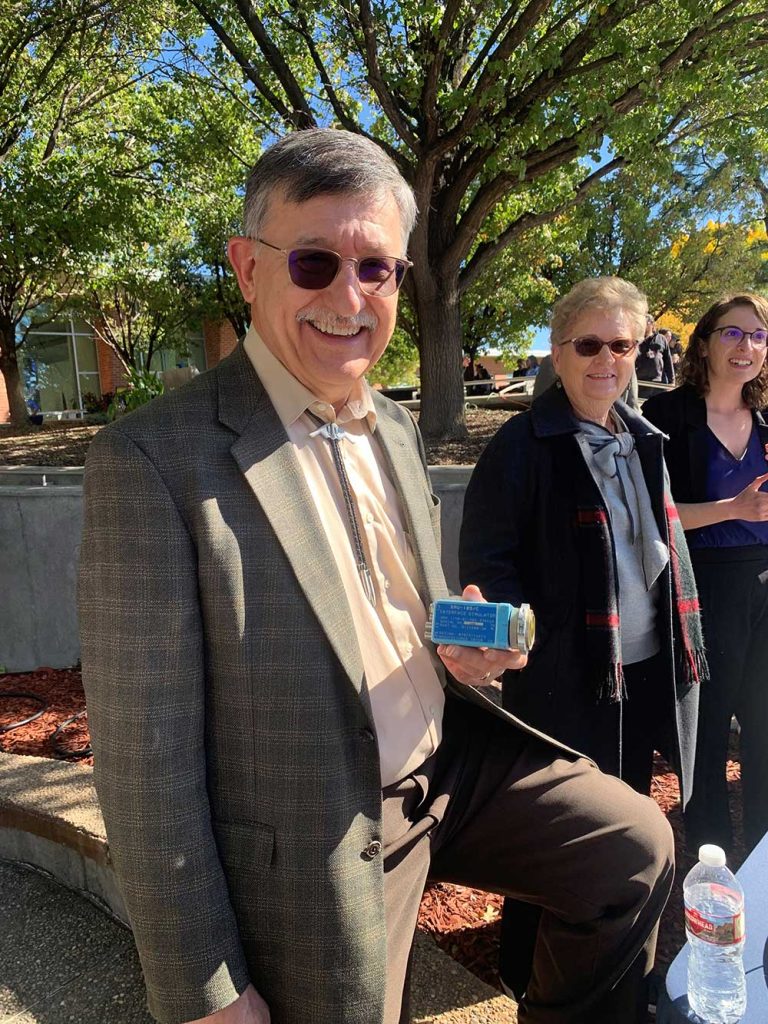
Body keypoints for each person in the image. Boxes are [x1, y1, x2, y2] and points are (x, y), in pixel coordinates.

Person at [79, 132, 674, 1024]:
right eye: (315, 262)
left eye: (378, 269)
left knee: (634, 849)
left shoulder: (393, 430)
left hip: (456, 765)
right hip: (323, 825)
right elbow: (142, 764)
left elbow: (392, 601)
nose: (348, 298)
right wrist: (203, 989)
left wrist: (456, 646)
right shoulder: (151, 461)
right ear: (248, 269)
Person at [460, 276, 705, 1003]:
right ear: (558, 354)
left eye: (622, 345)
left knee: (627, 828)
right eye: (589, 344)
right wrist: (502, 624)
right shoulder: (522, 446)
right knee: (558, 838)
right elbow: (489, 561)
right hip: (568, 678)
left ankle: (616, 966)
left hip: (647, 669)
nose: (607, 360)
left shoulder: (645, 438)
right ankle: (528, 978)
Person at [643, 294, 768, 855]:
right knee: (708, 731)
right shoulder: (668, 419)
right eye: (733, 333)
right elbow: (653, 515)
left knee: (765, 731)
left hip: (765, 585)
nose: (747, 347)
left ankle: (763, 861)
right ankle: (710, 863)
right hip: (704, 588)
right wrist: (730, 509)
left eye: (759, 337)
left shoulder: (767, 418)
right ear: (704, 341)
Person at [636, 315, 675, 385]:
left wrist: (671, 381)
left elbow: (668, 361)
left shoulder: (661, 339)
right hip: (639, 381)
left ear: (651, 324)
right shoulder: (636, 339)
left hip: (657, 382)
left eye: (645, 323)